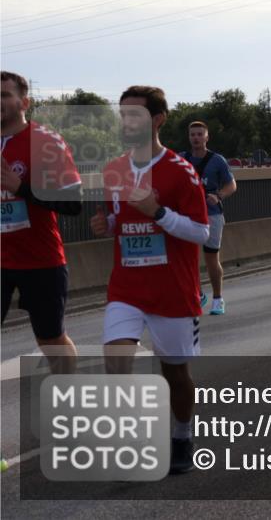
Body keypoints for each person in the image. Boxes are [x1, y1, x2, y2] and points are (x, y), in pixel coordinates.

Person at [90, 85, 210, 475]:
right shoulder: (113, 170)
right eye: (122, 114)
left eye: (135, 115)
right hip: (126, 286)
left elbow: (201, 232)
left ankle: (181, 433)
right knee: (116, 359)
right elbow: (116, 218)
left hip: (172, 288)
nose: (126, 122)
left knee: (175, 371)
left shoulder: (181, 171)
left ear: (157, 120)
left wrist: (158, 212)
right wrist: (105, 224)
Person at [1, 71, 82, 376]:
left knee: (50, 338)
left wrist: (20, 187)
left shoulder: (46, 141)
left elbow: (72, 203)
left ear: (24, 102)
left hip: (41, 261)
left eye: (4, 95)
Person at [181, 121, 236, 316]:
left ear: (206, 137)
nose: (196, 138)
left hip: (211, 214)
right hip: (187, 216)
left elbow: (232, 185)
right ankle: (197, 293)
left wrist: (218, 195)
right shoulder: (181, 159)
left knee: (211, 257)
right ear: (189, 137)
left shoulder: (217, 160)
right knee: (185, 259)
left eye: (199, 134)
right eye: (192, 134)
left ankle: (217, 298)